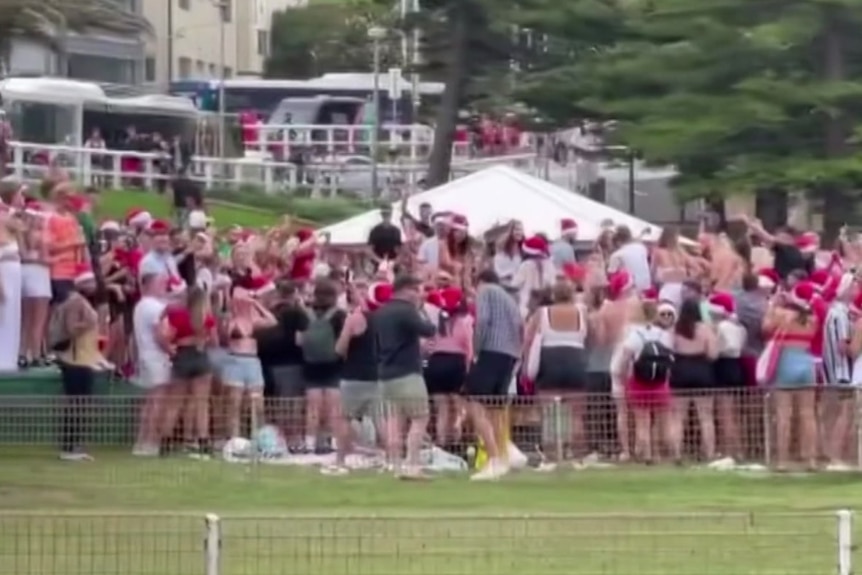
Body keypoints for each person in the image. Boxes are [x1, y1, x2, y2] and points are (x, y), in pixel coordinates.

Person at [373, 273, 436, 478]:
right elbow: (429, 330)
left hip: (385, 373)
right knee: (420, 417)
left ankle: (394, 464)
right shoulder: (407, 310)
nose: (421, 295)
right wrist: (421, 310)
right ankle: (412, 464)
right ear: (407, 290)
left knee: (394, 420)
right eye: (418, 290)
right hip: (407, 373)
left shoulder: (381, 311)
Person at [468, 269, 525, 480]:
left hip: (490, 351)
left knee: (475, 403)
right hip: (509, 354)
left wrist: (475, 349)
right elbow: (521, 326)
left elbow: (482, 320)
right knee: (495, 406)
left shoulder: (486, 291)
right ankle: (506, 450)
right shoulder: (510, 299)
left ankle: (494, 459)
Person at [329, 280, 390, 474]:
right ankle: (391, 460)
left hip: (354, 376)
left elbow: (340, 348)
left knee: (343, 417)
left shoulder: (355, 318)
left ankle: (340, 461)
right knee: (381, 420)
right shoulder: (384, 320)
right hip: (377, 376)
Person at [524, 279, 589, 461]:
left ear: (553, 295)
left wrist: (526, 366)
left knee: (550, 413)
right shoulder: (582, 313)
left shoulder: (542, 313)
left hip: (550, 362)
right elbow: (591, 336)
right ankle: (577, 456)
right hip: (575, 360)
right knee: (576, 414)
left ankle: (552, 456)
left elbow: (528, 339)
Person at [54, 264, 105, 461]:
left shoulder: (81, 301)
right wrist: (91, 323)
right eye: (90, 281)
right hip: (74, 360)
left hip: (83, 358)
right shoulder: (76, 302)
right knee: (76, 403)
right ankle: (69, 447)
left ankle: (76, 446)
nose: (94, 285)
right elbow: (71, 329)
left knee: (81, 403)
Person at [164, 286, 216, 458]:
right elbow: (214, 341)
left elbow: (167, 336)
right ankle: (203, 442)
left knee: (175, 403)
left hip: (182, 357)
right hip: (200, 357)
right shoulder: (206, 318)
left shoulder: (177, 316)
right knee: (202, 404)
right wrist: (202, 339)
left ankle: (165, 443)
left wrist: (174, 347)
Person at [298, 278, 347, 454]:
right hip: (333, 365)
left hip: (310, 365)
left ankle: (310, 443)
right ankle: (332, 442)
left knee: (313, 407)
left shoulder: (305, 313)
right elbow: (345, 340)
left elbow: (299, 340)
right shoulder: (339, 315)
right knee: (334, 406)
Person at [222, 287, 277, 440]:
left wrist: (255, 304)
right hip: (235, 360)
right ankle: (234, 438)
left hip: (252, 361)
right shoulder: (231, 319)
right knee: (234, 404)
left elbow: (272, 321)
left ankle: (260, 438)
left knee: (257, 404)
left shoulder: (254, 319)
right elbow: (226, 335)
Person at [131, 272, 171, 456]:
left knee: (150, 401)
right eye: (159, 283)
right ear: (147, 285)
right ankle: (151, 442)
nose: (163, 286)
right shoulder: (154, 307)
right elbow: (159, 334)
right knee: (157, 401)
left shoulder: (140, 306)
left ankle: (142, 441)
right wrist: (171, 350)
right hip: (156, 358)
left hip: (146, 357)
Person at [607, 225, 651, 292]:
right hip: (647, 287)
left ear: (616, 241)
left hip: (629, 291)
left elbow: (611, 276)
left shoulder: (617, 255)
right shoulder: (642, 248)